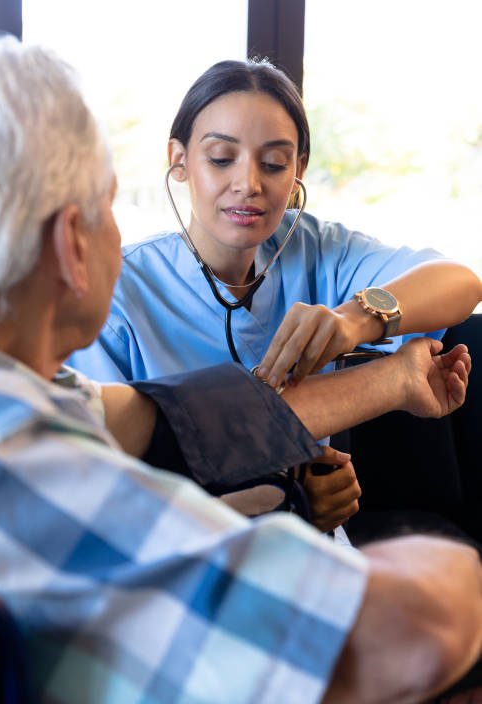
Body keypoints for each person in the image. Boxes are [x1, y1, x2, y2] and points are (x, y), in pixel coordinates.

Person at [0, 31, 481, 704]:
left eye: (272, 162)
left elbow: (168, 422)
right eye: (109, 206)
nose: (247, 184)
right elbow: (405, 633)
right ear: (70, 246)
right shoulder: (22, 459)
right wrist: (443, 563)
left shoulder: (32, 394)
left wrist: (375, 356)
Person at [69, 58, 482, 534]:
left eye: (274, 163)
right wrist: (288, 503)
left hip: (309, 551)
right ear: (178, 162)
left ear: (298, 170)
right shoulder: (118, 291)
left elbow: (461, 282)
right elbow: (102, 482)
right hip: (179, 556)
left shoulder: (315, 249)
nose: (249, 184)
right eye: (221, 158)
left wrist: (358, 318)